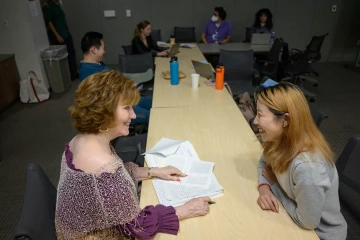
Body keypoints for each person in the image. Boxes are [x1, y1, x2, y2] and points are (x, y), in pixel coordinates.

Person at [55, 71, 211, 239]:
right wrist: (184, 210)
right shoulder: (102, 164)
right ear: (104, 111)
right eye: (127, 108)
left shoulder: (80, 141)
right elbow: (138, 226)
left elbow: (108, 183)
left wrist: (153, 171)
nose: (134, 115)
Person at [254, 82, 347, 240]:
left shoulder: (308, 167)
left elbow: (307, 222)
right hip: (292, 216)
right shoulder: (277, 139)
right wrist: (264, 188)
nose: (255, 121)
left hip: (319, 234)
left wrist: (274, 185)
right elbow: (264, 163)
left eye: (260, 115)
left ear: (285, 120)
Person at [79, 31, 152, 124]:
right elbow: (104, 103)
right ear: (93, 49)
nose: (104, 51)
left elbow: (112, 83)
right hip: (116, 108)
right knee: (151, 116)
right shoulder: (89, 74)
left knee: (154, 104)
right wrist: (126, 92)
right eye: (103, 48)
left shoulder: (97, 63)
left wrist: (128, 87)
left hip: (124, 99)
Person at [42, 0, 78, 80]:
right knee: (63, 57)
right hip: (58, 36)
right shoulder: (47, 6)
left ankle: (74, 73)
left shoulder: (58, 4)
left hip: (66, 33)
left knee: (71, 53)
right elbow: (49, 22)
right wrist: (57, 35)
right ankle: (66, 76)